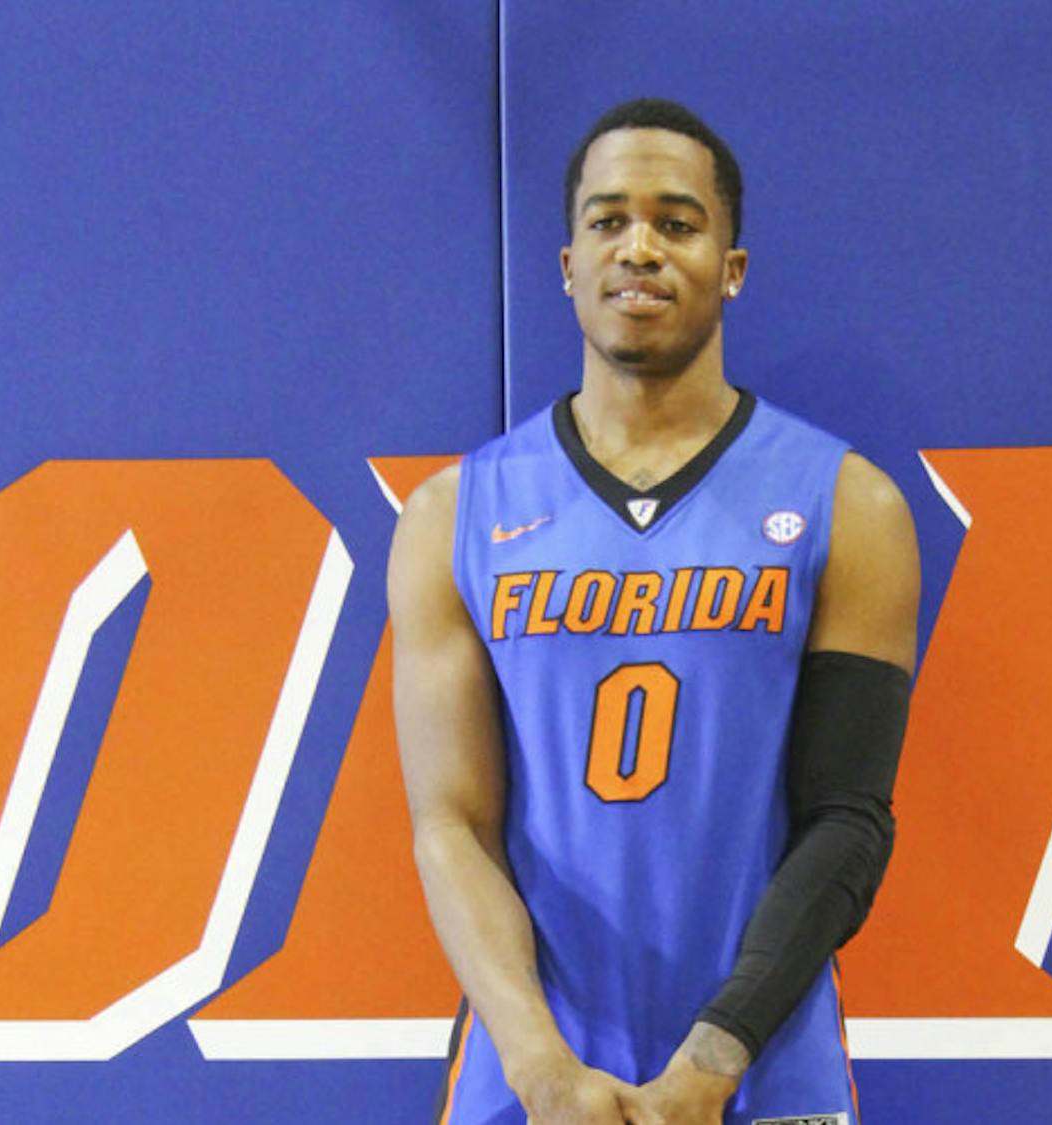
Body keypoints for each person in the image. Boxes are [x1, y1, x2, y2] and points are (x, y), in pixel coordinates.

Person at [388, 97, 919, 1125]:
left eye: (678, 224)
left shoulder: (846, 504)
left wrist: (714, 1063)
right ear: (567, 264)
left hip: (763, 1072)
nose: (640, 248)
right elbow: (451, 822)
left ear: (733, 266)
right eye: (607, 221)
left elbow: (846, 824)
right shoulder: (454, 516)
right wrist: (542, 1070)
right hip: (531, 1077)